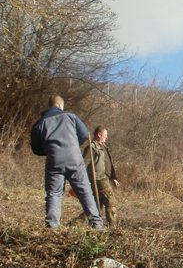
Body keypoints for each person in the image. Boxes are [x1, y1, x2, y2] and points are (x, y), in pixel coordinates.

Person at [30, 94, 104, 230]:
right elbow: (84, 134)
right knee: (85, 191)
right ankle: (97, 224)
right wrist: (73, 145)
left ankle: (52, 226)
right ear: (59, 105)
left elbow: (35, 148)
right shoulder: (71, 116)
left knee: (54, 193)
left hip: (54, 160)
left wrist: (50, 150)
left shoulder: (39, 123)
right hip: (74, 158)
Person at [84, 125, 120, 226]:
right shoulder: (91, 148)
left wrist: (113, 178)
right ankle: (113, 228)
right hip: (98, 179)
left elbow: (108, 163)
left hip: (105, 178)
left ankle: (76, 224)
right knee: (111, 203)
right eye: (105, 135)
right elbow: (83, 164)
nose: (106, 137)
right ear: (99, 135)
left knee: (95, 207)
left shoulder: (104, 147)